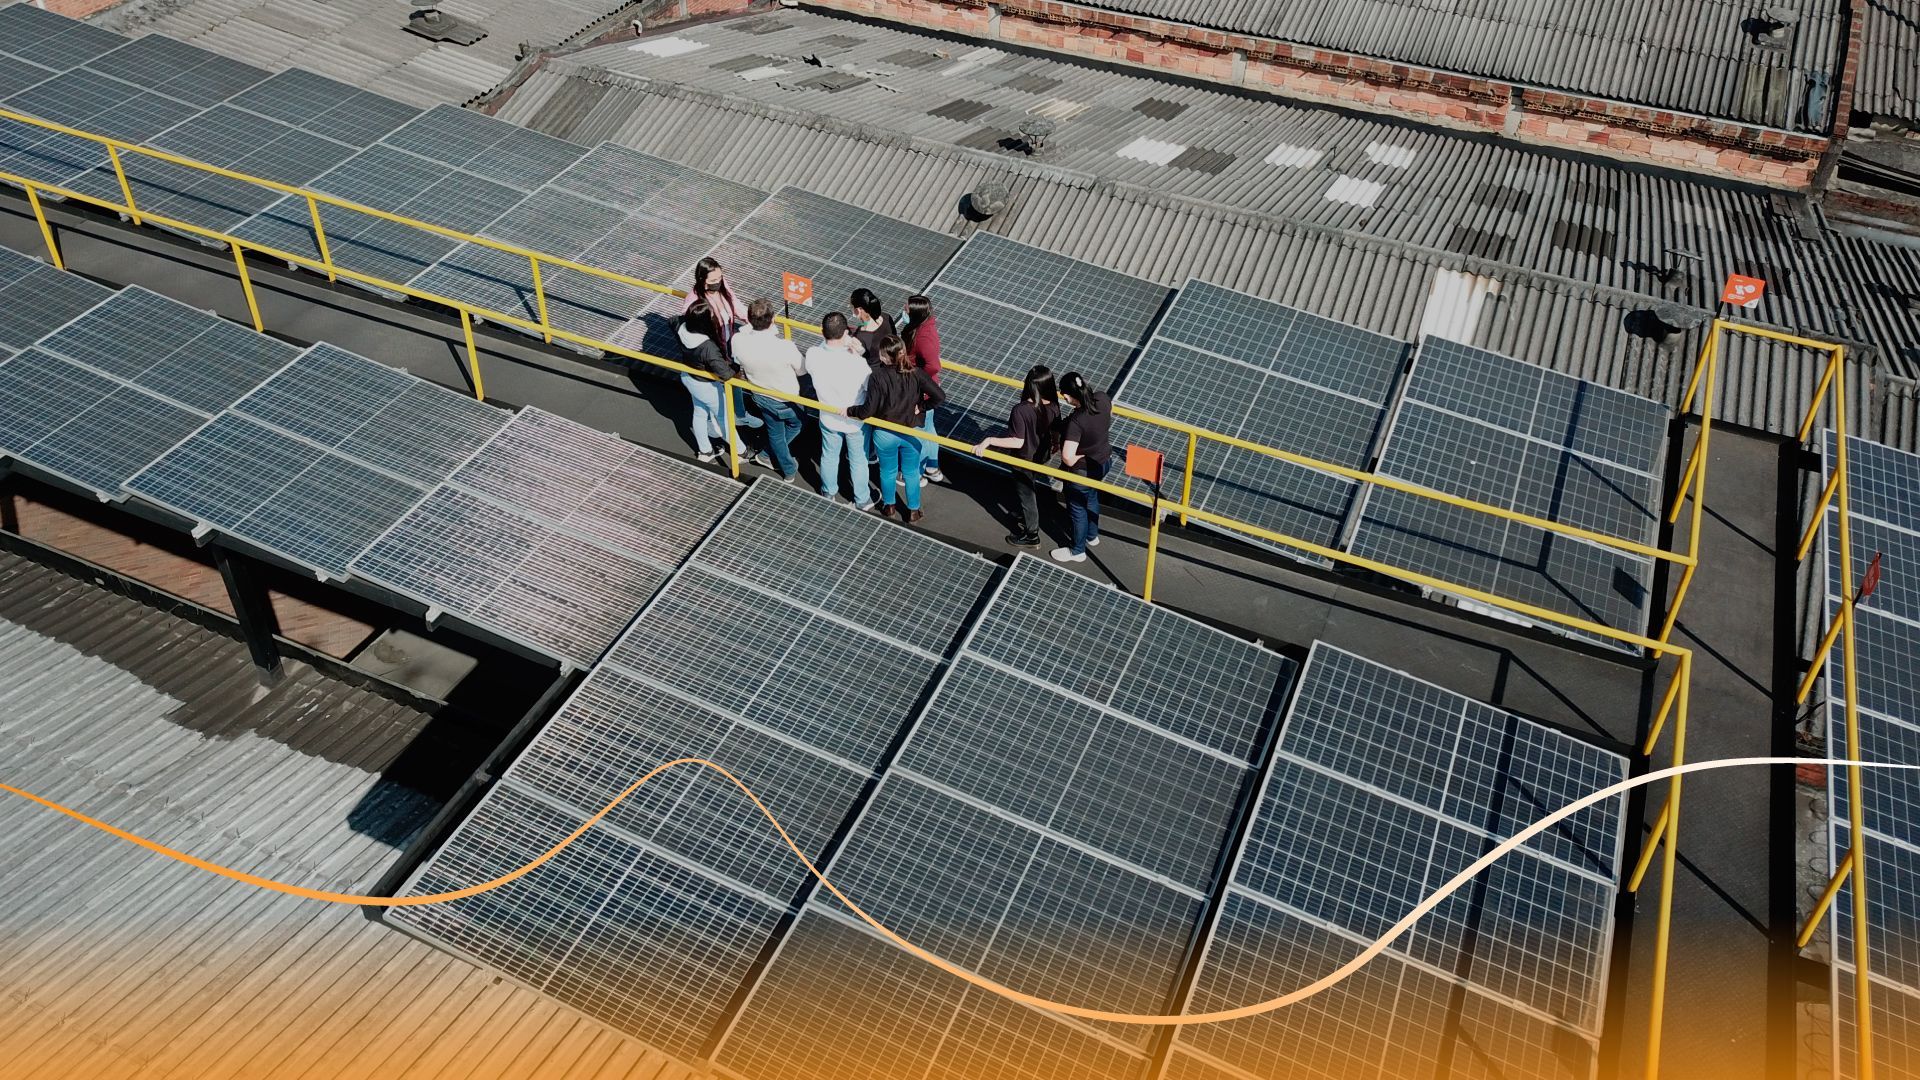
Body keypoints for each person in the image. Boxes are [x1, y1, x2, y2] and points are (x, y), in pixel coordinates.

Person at [847, 337, 944, 522]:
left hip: (885, 432)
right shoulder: (916, 373)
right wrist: (922, 407)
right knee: (911, 472)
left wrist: (849, 411)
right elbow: (940, 396)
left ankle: (889, 506)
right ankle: (913, 510)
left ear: (884, 356)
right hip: (911, 431)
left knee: (887, 471)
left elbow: (867, 411)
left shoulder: (877, 376)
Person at [972, 366, 1058, 548]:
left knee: (1027, 495)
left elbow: (1017, 442)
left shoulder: (1021, 410)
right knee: (1029, 487)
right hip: (1042, 455)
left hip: (1023, 460)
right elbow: (1055, 431)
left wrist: (988, 440)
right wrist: (1055, 444)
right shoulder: (1054, 405)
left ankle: (1032, 535)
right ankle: (1026, 517)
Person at [677, 299, 761, 463]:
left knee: (700, 413)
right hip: (706, 386)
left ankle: (705, 451)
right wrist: (737, 368)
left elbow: (672, 321)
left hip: (688, 376)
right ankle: (741, 452)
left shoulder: (680, 327)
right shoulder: (707, 347)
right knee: (724, 417)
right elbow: (725, 374)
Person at [805, 312, 874, 509]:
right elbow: (870, 387)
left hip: (828, 417)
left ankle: (828, 491)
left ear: (822, 331)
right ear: (845, 332)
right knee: (858, 460)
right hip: (855, 421)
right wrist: (857, 350)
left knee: (829, 455)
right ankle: (862, 499)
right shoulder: (858, 363)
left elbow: (815, 358)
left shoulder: (813, 354)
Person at [732, 298, 806, 479]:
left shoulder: (738, 340)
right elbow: (802, 370)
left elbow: (736, 357)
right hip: (786, 400)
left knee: (776, 432)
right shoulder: (784, 346)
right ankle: (788, 468)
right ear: (772, 319)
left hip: (759, 394)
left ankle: (766, 454)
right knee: (796, 424)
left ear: (749, 320)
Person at [1052, 372, 1112, 563]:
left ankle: (1077, 551)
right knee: (1092, 497)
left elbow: (1068, 458)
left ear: (1068, 396)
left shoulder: (1076, 422)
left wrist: (1084, 453)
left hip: (1081, 472)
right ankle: (1092, 536)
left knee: (1078, 510)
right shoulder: (1102, 399)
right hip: (1103, 463)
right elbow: (1109, 416)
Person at [901, 294, 946, 485]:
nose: (904, 310)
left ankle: (917, 472)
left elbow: (933, 365)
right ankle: (932, 467)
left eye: (907, 309)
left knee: (919, 430)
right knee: (928, 428)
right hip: (926, 387)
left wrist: (918, 380)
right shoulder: (923, 328)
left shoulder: (923, 336)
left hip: (921, 390)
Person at [681, 257, 748, 354]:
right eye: (713, 280)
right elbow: (691, 326)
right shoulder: (694, 300)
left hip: (727, 341)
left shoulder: (722, 284)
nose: (718, 282)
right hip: (712, 348)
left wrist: (752, 319)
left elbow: (734, 302)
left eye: (720, 277)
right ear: (702, 280)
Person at [849, 288, 899, 365]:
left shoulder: (861, 336)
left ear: (859, 310)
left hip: (875, 372)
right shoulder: (886, 317)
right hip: (893, 362)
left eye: (851, 307)